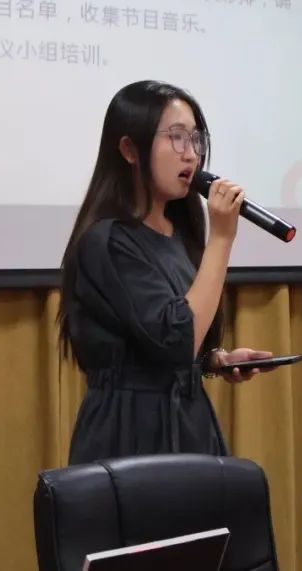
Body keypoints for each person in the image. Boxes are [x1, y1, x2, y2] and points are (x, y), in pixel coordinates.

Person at [58, 79, 274, 464]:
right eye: (176, 138)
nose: (191, 155)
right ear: (129, 149)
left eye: (196, 139)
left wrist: (214, 360)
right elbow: (176, 340)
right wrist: (222, 237)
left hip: (189, 424)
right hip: (130, 433)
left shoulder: (179, 234)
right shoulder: (108, 241)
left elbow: (162, 343)